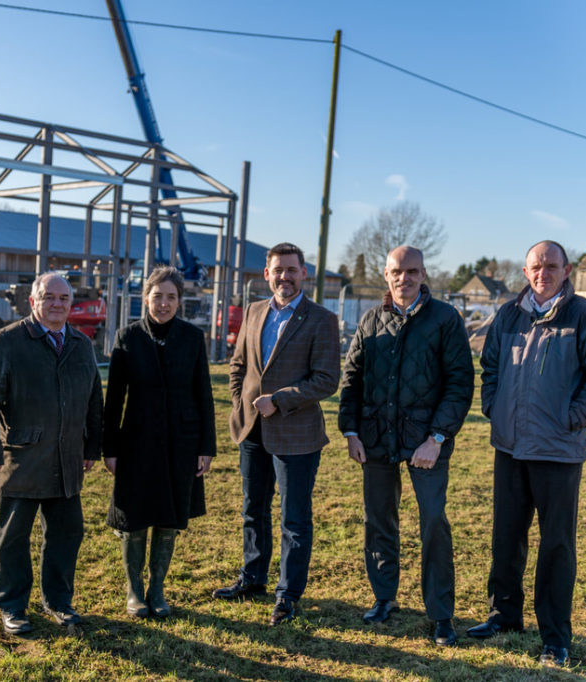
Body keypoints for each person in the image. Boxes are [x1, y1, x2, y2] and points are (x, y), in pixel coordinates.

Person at [468, 240, 586, 667]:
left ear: (566, 269)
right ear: (524, 271)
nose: (543, 273)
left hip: (558, 451)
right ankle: (504, 616)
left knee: (556, 546)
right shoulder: (508, 315)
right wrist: (494, 409)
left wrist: (572, 418)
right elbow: (492, 368)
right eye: (536, 266)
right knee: (506, 539)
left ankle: (555, 637)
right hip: (510, 446)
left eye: (551, 266)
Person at [338, 245, 474, 646]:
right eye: (397, 271)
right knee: (378, 519)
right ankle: (384, 597)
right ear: (386, 274)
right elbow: (352, 379)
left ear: (424, 273)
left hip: (425, 439)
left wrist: (437, 437)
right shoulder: (371, 319)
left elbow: (460, 383)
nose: (404, 278)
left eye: (412, 271)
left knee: (433, 522)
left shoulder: (445, 319)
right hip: (376, 436)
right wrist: (350, 431)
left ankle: (441, 614)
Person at [0, 271, 104, 635]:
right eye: (49, 297)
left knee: (66, 535)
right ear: (33, 301)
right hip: (19, 460)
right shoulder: (7, 341)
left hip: (67, 460)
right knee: (13, 538)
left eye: (63, 298)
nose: (57, 304)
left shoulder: (80, 343)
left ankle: (59, 601)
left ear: (71, 305)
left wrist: (92, 446)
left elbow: (94, 399)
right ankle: (12, 606)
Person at [213, 242, 340, 626]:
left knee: (294, 518)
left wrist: (280, 400)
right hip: (252, 430)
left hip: (296, 434)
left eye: (291, 269)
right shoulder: (253, 312)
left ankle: (288, 593)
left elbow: (326, 379)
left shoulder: (321, 319)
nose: (284, 276)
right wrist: (241, 402)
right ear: (265, 274)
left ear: (304, 274)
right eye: (277, 270)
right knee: (253, 508)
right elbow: (238, 367)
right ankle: (252, 578)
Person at [103, 266, 216, 618]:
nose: (164, 303)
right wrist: (110, 448)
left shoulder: (193, 339)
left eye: (171, 297)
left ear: (179, 301)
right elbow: (114, 400)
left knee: (169, 517)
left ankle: (157, 589)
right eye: (157, 296)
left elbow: (204, 394)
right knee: (135, 517)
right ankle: (134, 591)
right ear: (145, 298)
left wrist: (206, 447)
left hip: (182, 443)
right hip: (136, 442)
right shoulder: (127, 338)